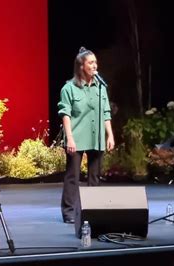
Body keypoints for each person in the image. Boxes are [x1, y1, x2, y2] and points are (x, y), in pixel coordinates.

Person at [57, 47, 115, 223]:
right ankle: (69, 212)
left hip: (96, 137)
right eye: (91, 62)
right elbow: (65, 114)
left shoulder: (100, 88)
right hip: (77, 137)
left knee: (94, 176)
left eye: (95, 62)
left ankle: (92, 209)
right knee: (73, 176)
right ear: (81, 66)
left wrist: (110, 135)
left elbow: (106, 113)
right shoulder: (69, 88)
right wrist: (70, 138)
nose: (95, 65)